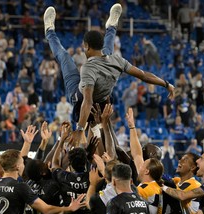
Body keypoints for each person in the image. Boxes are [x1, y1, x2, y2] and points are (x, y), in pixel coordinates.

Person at [44, 4, 175, 145]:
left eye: (84, 46)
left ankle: (49, 31)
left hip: (79, 96)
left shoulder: (88, 67)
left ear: (87, 46)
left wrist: (80, 129)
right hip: (101, 98)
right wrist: (166, 84)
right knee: (109, 50)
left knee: (63, 56)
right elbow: (144, 75)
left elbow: (87, 101)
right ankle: (111, 26)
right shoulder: (117, 60)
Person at [0, 149, 86, 214]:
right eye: (22, 163)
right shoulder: (20, 186)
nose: (24, 166)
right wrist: (70, 208)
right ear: (17, 166)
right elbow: (46, 210)